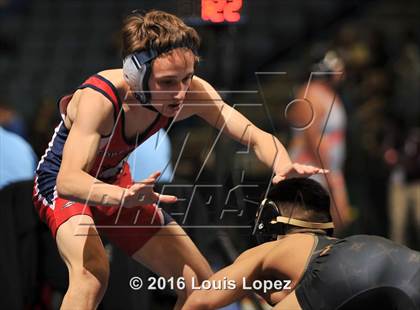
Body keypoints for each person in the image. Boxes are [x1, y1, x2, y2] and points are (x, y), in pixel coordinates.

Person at [32, 10, 325, 310]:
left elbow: (251, 133)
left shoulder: (189, 91)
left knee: (198, 286)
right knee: (92, 274)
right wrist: (122, 196)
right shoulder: (101, 98)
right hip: (60, 185)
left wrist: (280, 162)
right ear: (135, 77)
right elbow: (69, 181)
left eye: (187, 78)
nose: (181, 93)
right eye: (168, 82)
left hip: (116, 183)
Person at [183, 178, 420, 310]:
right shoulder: (334, 245)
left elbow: (200, 300)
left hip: (341, 271)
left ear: (268, 222)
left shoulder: (273, 249)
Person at [288, 50, 352, 229]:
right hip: (313, 168)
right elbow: (312, 138)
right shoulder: (311, 93)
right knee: (314, 225)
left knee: (339, 220)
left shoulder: (329, 93)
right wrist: (329, 176)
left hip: (328, 169)